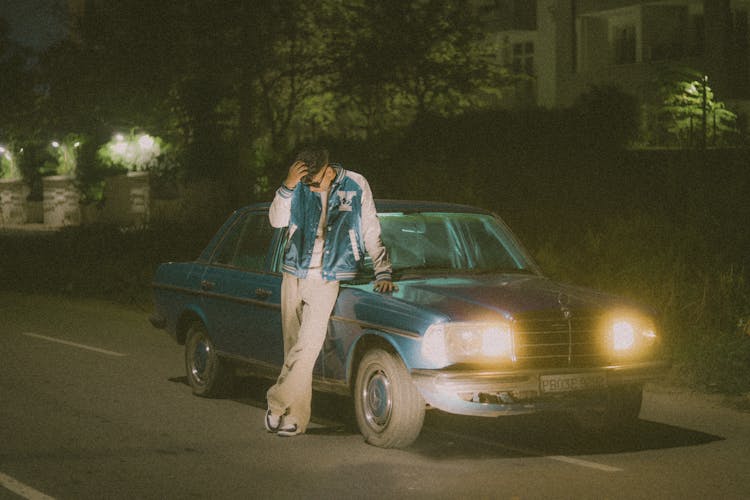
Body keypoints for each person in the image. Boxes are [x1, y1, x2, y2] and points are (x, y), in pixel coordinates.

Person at [265, 146, 396, 437]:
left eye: (316, 181)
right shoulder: (296, 185)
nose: (312, 186)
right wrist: (287, 186)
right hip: (293, 270)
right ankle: (296, 419)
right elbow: (276, 220)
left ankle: (276, 403)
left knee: (308, 347)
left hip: (328, 275)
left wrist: (382, 269)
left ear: (328, 169)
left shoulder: (355, 184)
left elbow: (370, 227)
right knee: (293, 348)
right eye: (307, 182)